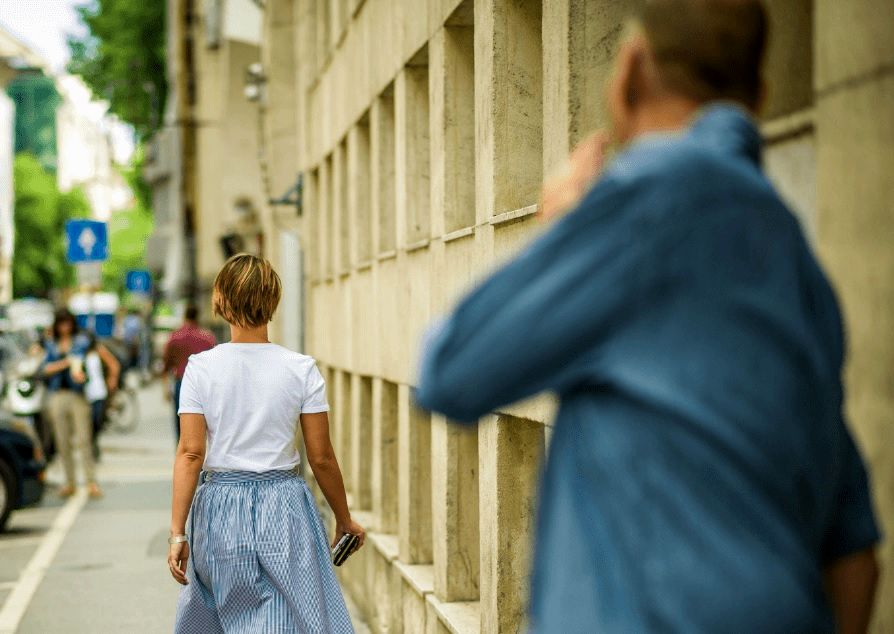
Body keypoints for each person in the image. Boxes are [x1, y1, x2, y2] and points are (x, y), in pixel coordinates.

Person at [416, 1, 881, 632]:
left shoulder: (651, 196)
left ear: (632, 68)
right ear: (760, 95)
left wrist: (563, 232)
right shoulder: (791, 251)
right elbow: (854, 552)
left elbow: (452, 368)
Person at [167, 253, 363, 633]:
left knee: (224, 617)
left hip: (219, 509)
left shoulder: (201, 368)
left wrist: (178, 532)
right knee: (293, 619)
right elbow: (320, 457)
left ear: (220, 301)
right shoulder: (300, 368)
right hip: (285, 505)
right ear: (273, 301)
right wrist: (344, 518)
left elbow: (191, 453)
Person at [42, 310, 103, 498]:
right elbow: (45, 369)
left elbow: (83, 363)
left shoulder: (80, 342)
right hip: (58, 395)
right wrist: (65, 363)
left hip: (77, 395)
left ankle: (91, 481)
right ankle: (70, 481)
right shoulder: (52, 345)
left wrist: (79, 371)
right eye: (61, 324)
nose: (65, 328)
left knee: (84, 439)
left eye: (67, 323)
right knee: (62, 441)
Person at [162, 304, 216, 442]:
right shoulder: (207, 338)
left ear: (184, 316)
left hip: (182, 383)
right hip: (203, 385)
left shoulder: (175, 337)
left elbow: (166, 365)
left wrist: (165, 388)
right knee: (201, 427)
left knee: (181, 426)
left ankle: (182, 457)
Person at [83, 331, 121, 461]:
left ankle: (93, 442)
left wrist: (112, 380)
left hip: (98, 391)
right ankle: (90, 447)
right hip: (83, 393)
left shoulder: (98, 349)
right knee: (86, 422)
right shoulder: (78, 351)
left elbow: (114, 365)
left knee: (97, 420)